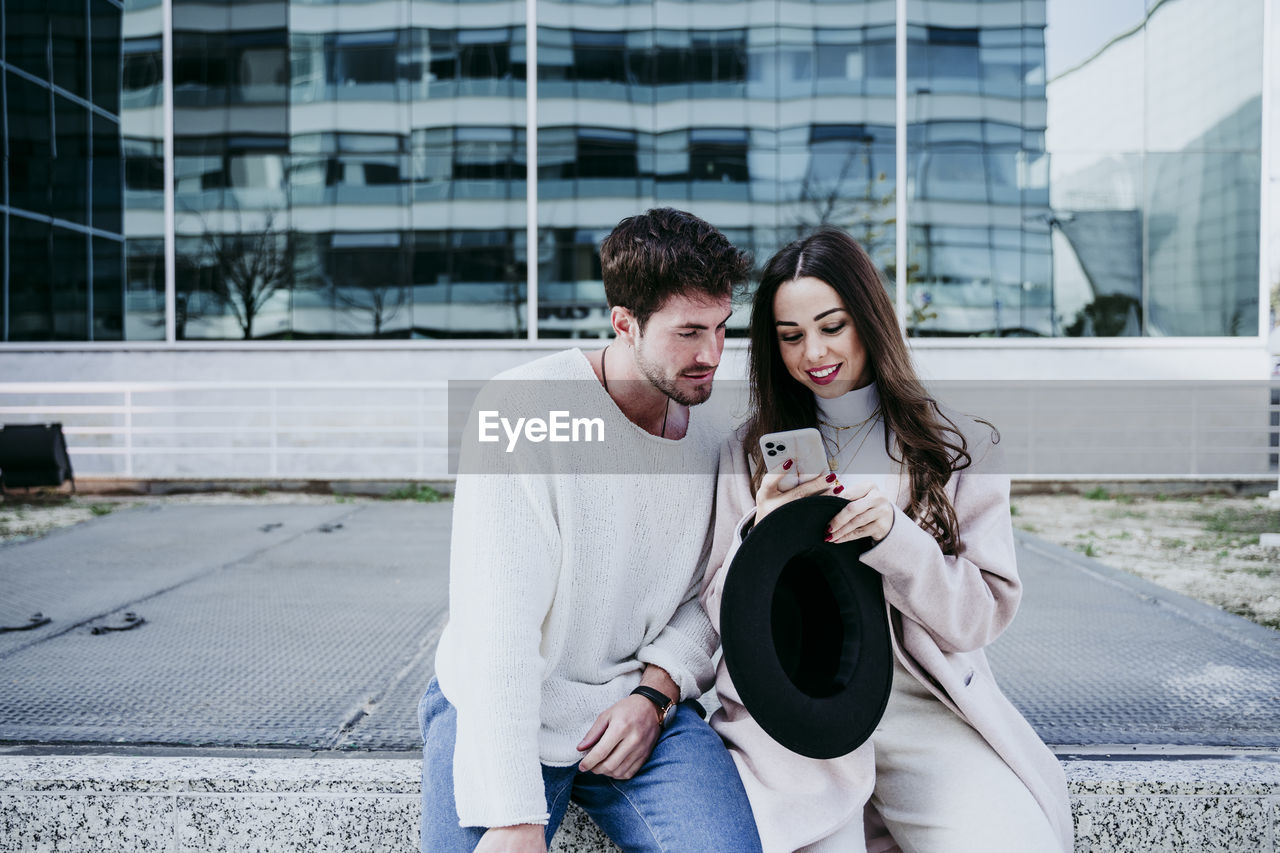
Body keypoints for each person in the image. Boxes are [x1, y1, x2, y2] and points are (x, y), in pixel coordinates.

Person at [701, 228, 1072, 853]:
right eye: (790, 337)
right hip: (801, 721)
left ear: (870, 319)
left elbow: (978, 619)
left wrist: (896, 540)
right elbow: (721, 617)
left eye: (832, 326)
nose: (813, 352)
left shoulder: (958, 445)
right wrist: (763, 537)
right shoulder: (747, 453)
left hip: (928, 709)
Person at [421, 208, 764, 853]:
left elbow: (715, 590)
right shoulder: (523, 411)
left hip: (637, 707)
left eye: (722, 328)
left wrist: (655, 695)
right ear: (624, 324)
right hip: (507, 704)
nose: (712, 355)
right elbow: (498, 624)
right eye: (689, 332)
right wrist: (512, 812)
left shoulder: (721, 427)